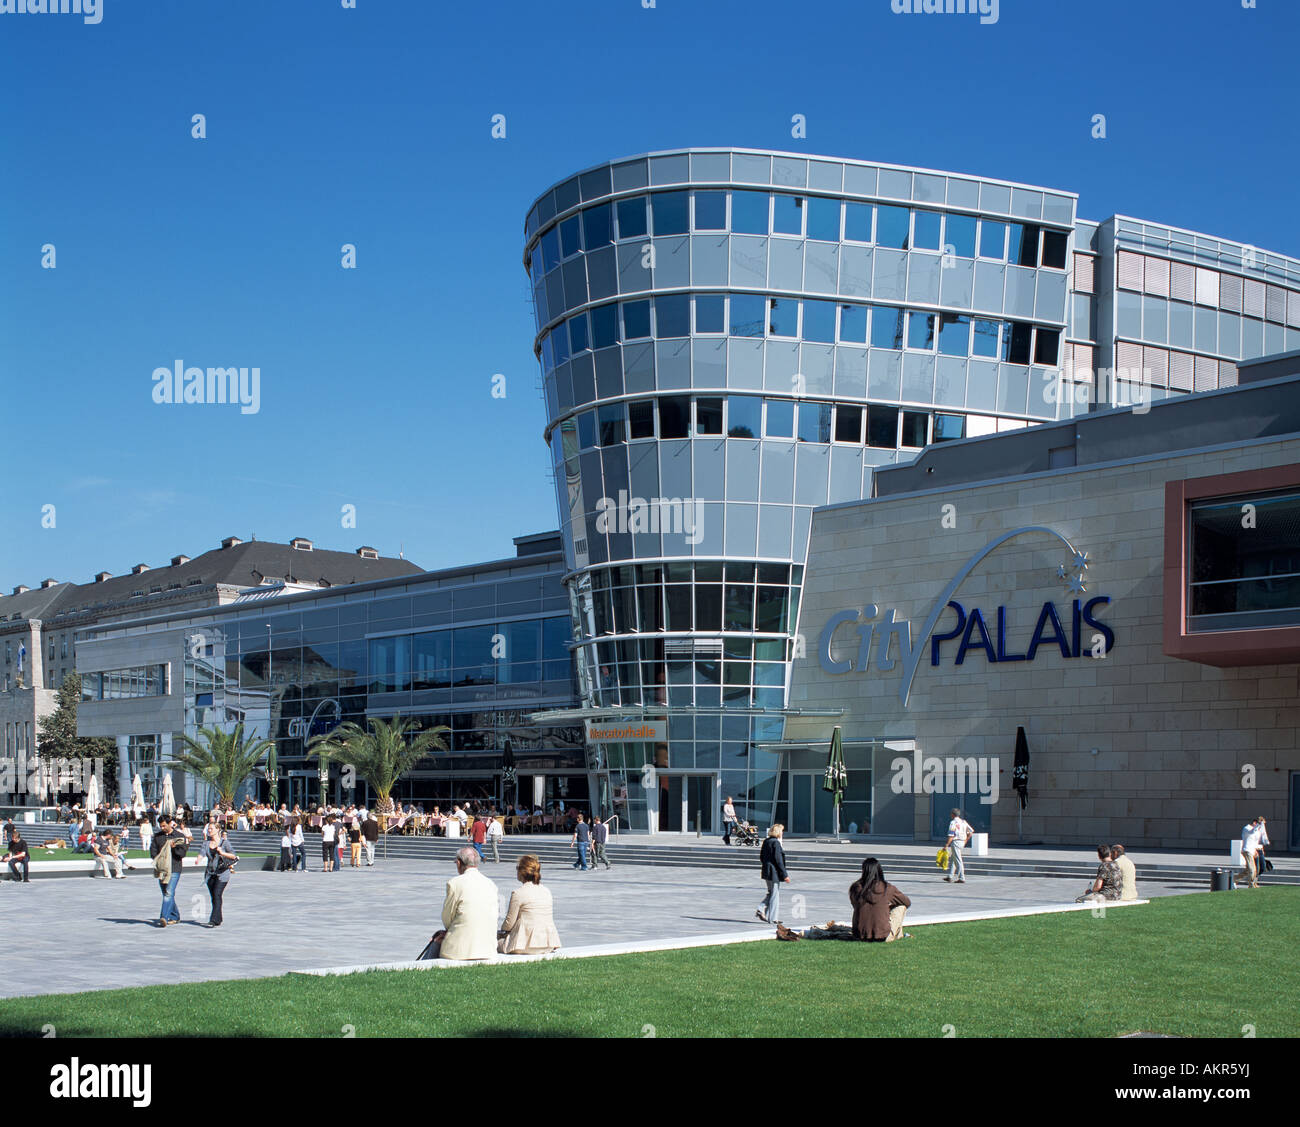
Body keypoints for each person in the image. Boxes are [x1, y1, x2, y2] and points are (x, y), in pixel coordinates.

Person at [428, 847, 499, 960]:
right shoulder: (491, 884)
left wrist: (447, 931)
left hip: (460, 949)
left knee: (436, 940)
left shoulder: (455, 883)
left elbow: (447, 918)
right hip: (487, 948)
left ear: (459, 863)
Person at [498, 854, 562, 954]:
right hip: (547, 943)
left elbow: (509, 922)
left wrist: (502, 931)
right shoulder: (546, 891)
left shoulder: (518, 893)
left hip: (524, 944)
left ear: (522, 872)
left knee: (495, 942)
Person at [850, 858, 911, 941]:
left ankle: (896, 935)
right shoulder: (887, 888)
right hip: (882, 936)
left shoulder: (855, 888)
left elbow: (854, 905)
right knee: (901, 906)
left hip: (859, 935)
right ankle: (897, 935)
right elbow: (907, 902)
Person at [150, 814, 192, 926]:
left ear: (170, 824)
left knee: (169, 893)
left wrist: (174, 849)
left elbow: (182, 854)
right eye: (160, 826)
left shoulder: (179, 836)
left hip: (174, 868)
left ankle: (164, 917)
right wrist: (158, 860)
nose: (162, 828)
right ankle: (175, 916)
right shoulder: (158, 837)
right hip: (162, 870)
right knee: (166, 893)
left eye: (164, 825)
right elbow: (153, 851)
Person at [204, 827, 238, 927]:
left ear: (218, 830)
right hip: (210, 873)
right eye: (208, 829)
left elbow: (234, 856)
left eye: (211, 829)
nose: (209, 830)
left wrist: (222, 853)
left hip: (222, 873)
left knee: (217, 894)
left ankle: (213, 920)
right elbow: (202, 853)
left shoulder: (225, 843)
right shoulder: (206, 843)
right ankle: (218, 918)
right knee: (214, 897)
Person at [756, 824, 789, 923]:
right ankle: (773, 918)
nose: (782, 833)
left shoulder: (766, 841)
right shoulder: (776, 843)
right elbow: (779, 861)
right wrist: (785, 875)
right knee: (775, 895)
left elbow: (761, 857)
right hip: (774, 872)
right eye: (782, 831)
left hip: (766, 871)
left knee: (771, 893)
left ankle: (762, 911)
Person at [943, 807, 973, 884]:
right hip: (962, 842)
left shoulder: (953, 823)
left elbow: (951, 835)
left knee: (958, 860)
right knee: (953, 859)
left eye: (951, 814)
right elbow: (971, 831)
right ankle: (950, 876)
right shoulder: (963, 822)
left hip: (956, 842)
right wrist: (966, 840)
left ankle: (962, 878)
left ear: (952, 814)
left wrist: (946, 845)